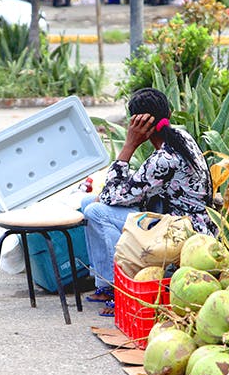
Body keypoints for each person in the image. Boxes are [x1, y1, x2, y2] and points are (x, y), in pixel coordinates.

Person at [81, 88, 215, 316]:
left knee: (96, 211)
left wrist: (129, 145)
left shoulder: (165, 159)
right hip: (179, 217)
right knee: (87, 202)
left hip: (183, 228)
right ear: (169, 114)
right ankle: (104, 282)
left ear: (137, 123)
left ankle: (118, 289)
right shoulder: (181, 137)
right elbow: (133, 189)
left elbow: (111, 196)